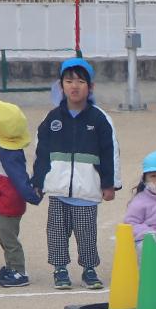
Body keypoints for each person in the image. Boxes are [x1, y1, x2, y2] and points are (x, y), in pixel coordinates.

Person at [30, 57, 119, 292]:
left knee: (86, 234)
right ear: (61, 86)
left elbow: (110, 152)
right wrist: (38, 181)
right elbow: (41, 152)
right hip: (58, 190)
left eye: (80, 81)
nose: (74, 86)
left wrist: (110, 184)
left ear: (91, 87)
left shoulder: (100, 119)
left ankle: (89, 269)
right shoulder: (51, 119)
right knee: (57, 233)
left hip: (87, 190)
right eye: (69, 81)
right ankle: (60, 269)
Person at [0, 97, 41, 287]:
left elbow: (19, 179)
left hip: (7, 203)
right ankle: (10, 267)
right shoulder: (1, 148)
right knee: (3, 237)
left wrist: (32, 196)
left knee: (9, 239)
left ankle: (19, 271)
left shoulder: (10, 155)